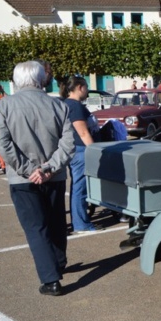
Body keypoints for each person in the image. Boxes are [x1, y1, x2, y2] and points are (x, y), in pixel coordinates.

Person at [0, 61, 75, 296]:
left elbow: (2, 143)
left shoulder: (5, 105)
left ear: (16, 80)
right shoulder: (58, 105)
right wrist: (48, 167)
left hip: (23, 178)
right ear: (41, 79)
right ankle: (58, 263)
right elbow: (68, 143)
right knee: (57, 221)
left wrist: (29, 169)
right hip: (54, 175)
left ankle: (51, 279)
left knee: (36, 227)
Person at [62, 76, 100, 234]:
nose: (87, 90)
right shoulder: (75, 106)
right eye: (85, 86)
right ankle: (81, 223)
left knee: (78, 186)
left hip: (75, 149)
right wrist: (95, 152)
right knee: (80, 187)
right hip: (80, 150)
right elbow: (83, 132)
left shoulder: (67, 103)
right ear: (79, 87)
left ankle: (80, 220)